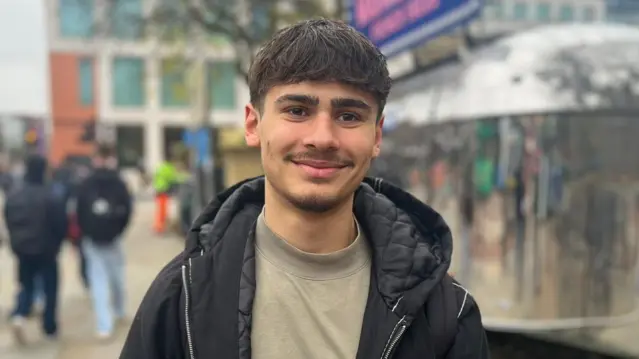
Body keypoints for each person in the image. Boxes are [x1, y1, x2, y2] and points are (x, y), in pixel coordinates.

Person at [121, 19, 489, 359]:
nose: (322, 138)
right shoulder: (181, 299)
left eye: (349, 116)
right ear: (253, 125)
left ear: (376, 137)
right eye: (297, 110)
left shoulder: (445, 315)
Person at [5, 155, 68, 344]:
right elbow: (60, 224)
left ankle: (20, 314)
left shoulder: (15, 195)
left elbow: (9, 221)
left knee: (26, 285)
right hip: (47, 250)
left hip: (23, 249)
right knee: (50, 289)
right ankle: (49, 326)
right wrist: (58, 244)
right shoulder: (51, 195)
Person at [76, 145, 132, 340]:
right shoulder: (119, 182)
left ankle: (104, 326)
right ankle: (119, 310)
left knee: (98, 281)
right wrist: (119, 230)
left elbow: (79, 211)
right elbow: (128, 209)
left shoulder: (86, 183)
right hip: (113, 238)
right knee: (117, 277)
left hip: (92, 239)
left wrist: (85, 232)